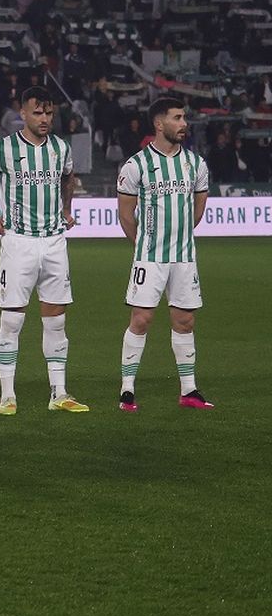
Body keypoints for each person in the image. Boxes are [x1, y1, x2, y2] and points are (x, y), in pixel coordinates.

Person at [0, 86, 87, 415]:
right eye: (37, 113)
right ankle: (7, 395)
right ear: (23, 114)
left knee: (56, 321)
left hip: (55, 241)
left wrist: (67, 209)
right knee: (12, 320)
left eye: (49, 113)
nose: (44, 119)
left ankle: (59, 393)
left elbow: (68, 178)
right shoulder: (3, 149)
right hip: (18, 242)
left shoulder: (60, 148)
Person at [115, 98, 214, 411]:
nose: (184, 124)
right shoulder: (136, 165)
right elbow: (125, 215)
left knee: (185, 321)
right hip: (150, 257)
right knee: (141, 319)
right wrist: (144, 244)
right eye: (177, 118)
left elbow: (198, 207)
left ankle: (189, 390)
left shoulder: (196, 164)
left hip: (184, 257)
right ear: (159, 124)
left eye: (184, 118)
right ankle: (127, 389)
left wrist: (180, 235)